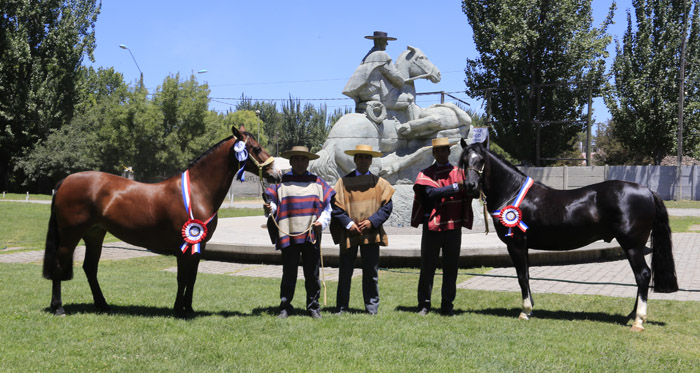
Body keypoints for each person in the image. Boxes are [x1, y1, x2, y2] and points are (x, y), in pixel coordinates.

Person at [263, 145, 335, 319]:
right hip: (288, 233)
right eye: (296, 159)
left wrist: (321, 222)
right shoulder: (281, 182)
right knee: (289, 273)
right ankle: (285, 306)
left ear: (308, 161)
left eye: (304, 159)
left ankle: (313, 306)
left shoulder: (318, 182)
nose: (300, 162)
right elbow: (273, 206)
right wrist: (269, 208)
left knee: (312, 273)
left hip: (311, 234)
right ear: (291, 161)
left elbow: (328, 207)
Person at [410, 137, 473, 316]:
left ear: (449, 152)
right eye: (437, 150)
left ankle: (447, 305)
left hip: (453, 227)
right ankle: (424, 304)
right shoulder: (425, 173)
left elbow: (471, 190)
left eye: (444, 150)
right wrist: (455, 187)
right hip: (432, 227)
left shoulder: (460, 172)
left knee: (451, 268)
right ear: (433, 153)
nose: (441, 153)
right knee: (427, 267)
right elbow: (430, 194)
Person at [330, 144, 395, 315]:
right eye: (360, 157)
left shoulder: (379, 183)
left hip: (371, 234)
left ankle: (371, 308)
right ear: (355, 159)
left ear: (371, 160)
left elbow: (387, 207)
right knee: (345, 272)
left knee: (371, 272)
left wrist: (372, 222)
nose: (363, 160)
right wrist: (349, 224)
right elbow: (336, 207)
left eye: (367, 157)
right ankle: (342, 307)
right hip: (349, 233)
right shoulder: (343, 182)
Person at [342, 31, 407, 113]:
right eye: (385, 41)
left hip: (363, 96)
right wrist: (402, 81)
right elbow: (394, 76)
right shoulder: (381, 55)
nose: (387, 44)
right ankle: (409, 126)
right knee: (408, 101)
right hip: (375, 95)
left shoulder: (368, 55)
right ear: (379, 41)